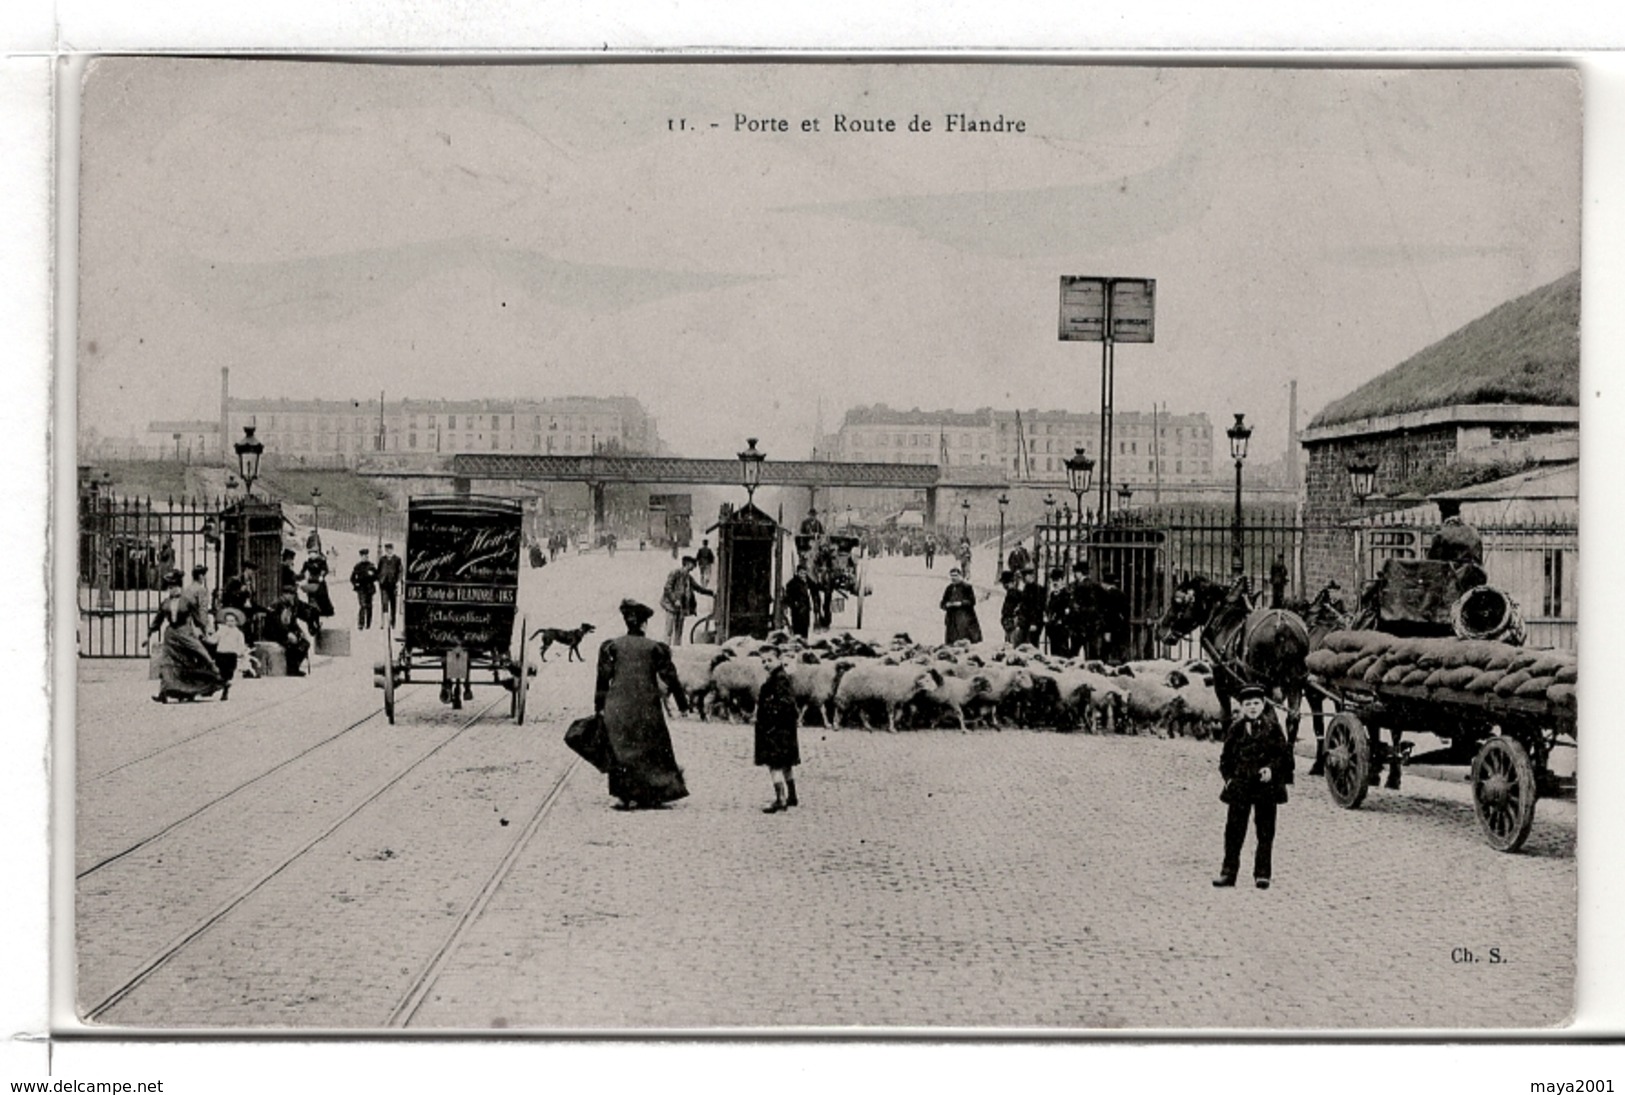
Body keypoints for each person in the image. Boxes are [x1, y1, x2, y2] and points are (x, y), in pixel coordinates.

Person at [595, 599, 690, 810]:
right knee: (651, 747)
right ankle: (652, 794)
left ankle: (623, 796)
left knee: (621, 748)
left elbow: (602, 679)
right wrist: (683, 704)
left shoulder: (612, 646)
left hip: (617, 705)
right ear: (644, 624)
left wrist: (599, 708)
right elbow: (670, 677)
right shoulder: (655, 648)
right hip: (646, 705)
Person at [1214, 684, 1294, 890]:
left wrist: (1272, 770)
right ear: (1241, 707)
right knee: (1234, 831)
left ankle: (1262, 874)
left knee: (1265, 832)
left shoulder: (1273, 728)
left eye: (1256, 703)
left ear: (1263, 705)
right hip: (1240, 787)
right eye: (1247, 704)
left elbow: (1284, 757)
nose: (1252, 707)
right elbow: (1225, 759)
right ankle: (1228, 873)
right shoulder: (1236, 729)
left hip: (1265, 789)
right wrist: (1229, 779)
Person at [143, 569, 223, 702]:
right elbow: (158, 619)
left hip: (185, 632)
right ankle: (164, 692)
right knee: (167, 662)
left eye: (174, 587)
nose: (172, 590)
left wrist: (205, 632)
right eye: (170, 588)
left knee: (200, 654)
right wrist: (149, 635)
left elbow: (198, 619)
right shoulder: (165, 603)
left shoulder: (188, 601)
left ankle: (218, 679)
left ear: (180, 587)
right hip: (171, 635)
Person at [754, 648, 802, 813]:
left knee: (774, 764)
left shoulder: (778, 680)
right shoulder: (781, 677)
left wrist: (771, 721)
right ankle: (792, 796)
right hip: (785, 728)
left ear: (779, 659)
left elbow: (783, 703)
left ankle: (780, 799)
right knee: (786, 763)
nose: (766, 664)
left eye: (769, 660)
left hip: (775, 728)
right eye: (763, 661)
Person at [660, 555, 713, 647]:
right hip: (671, 606)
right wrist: (674, 600)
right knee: (669, 630)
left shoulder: (688, 577)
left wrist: (711, 593)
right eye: (693, 564)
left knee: (679, 630)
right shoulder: (675, 573)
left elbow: (698, 588)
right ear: (687, 564)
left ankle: (676, 649)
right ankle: (666, 648)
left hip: (681, 607)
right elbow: (667, 588)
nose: (694, 567)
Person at [261, 592, 312, 676]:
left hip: (285, 632)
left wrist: (300, 632)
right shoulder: (276, 607)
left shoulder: (291, 606)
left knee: (304, 644)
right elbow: (277, 624)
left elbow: (293, 623)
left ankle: (295, 667)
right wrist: (287, 633)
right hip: (275, 633)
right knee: (291, 645)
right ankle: (291, 668)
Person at [209, 607, 250, 701]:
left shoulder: (238, 633)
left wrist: (240, 652)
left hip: (231, 655)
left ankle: (225, 690)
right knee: (220, 672)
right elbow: (214, 640)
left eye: (232, 621)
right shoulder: (221, 631)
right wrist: (206, 638)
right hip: (221, 653)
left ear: (236, 622)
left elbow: (241, 644)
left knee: (228, 674)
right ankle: (220, 687)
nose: (230, 623)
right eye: (227, 621)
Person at [940, 566, 984, 645]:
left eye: (955, 576)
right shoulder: (949, 588)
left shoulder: (967, 587)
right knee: (952, 643)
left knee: (965, 641)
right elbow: (942, 603)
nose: (953, 578)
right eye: (952, 576)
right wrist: (947, 605)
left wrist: (960, 603)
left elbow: (972, 602)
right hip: (952, 620)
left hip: (965, 620)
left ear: (960, 576)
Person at [783, 564, 817, 639]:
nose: (803, 575)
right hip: (797, 610)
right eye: (801, 573)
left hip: (805, 609)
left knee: (805, 629)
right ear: (797, 572)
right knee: (798, 631)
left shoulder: (806, 582)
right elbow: (788, 597)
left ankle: (804, 642)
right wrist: (794, 604)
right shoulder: (792, 583)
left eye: (805, 573)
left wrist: (808, 579)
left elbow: (814, 587)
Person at [300, 547, 335, 620]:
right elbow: (302, 571)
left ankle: (323, 611)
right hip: (311, 581)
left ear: (317, 554)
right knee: (311, 599)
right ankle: (313, 614)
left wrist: (322, 576)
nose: (311, 555)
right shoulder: (307, 562)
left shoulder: (321, 561)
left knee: (322, 597)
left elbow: (325, 570)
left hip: (319, 582)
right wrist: (302, 577)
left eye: (313, 553)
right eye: (310, 553)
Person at [350, 548, 378, 630]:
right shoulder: (357, 566)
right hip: (361, 588)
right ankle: (361, 624)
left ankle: (368, 623)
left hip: (369, 588)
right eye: (363, 556)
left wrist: (372, 575)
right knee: (362, 605)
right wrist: (356, 583)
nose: (365, 558)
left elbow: (376, 577)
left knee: (369, 606)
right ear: (361, 557)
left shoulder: (371, 566)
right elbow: (352, 578)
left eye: (366, 556)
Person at [377, 543, 403, 629]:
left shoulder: (397, 559)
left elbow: (400, 571)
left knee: (393, 604)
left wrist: (398, 581)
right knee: (384, 603)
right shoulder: (382, 560)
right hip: (384, 584)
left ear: (392, 550)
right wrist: (380, 579)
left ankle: (393, 622)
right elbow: (379, 570)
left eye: (390, 549)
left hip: (393, 585)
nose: (388, 551)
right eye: (387, 550)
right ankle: (383, 622)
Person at [999, 570, 1024, 645]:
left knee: (1012, 646)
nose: (1004, 586)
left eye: (1006, 583)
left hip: (1013, 625)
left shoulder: (1014, 594)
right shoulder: (1012, 593)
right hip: (1009, 625)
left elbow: (1012, 610)